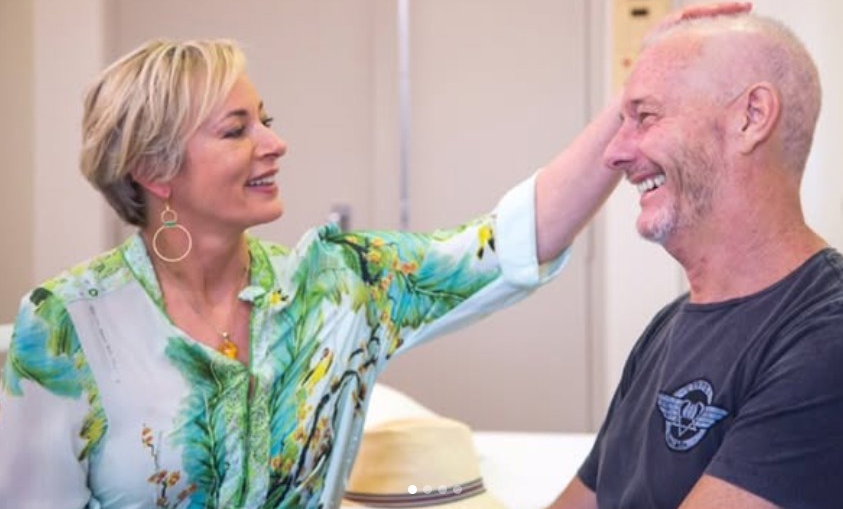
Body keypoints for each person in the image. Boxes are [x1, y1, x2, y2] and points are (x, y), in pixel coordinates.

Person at [0, 36, 622, 508]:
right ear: (155, 171)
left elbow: (505, 244)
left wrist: (632, 106)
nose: (274, 143)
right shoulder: (65, 326)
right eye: (236, 130)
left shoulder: (335, 287)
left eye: (264, 120)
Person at [550, 7, 843, 509]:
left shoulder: (826, 340)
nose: (614, 154)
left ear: (751, 117)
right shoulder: (667, 329)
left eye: (645, 116)